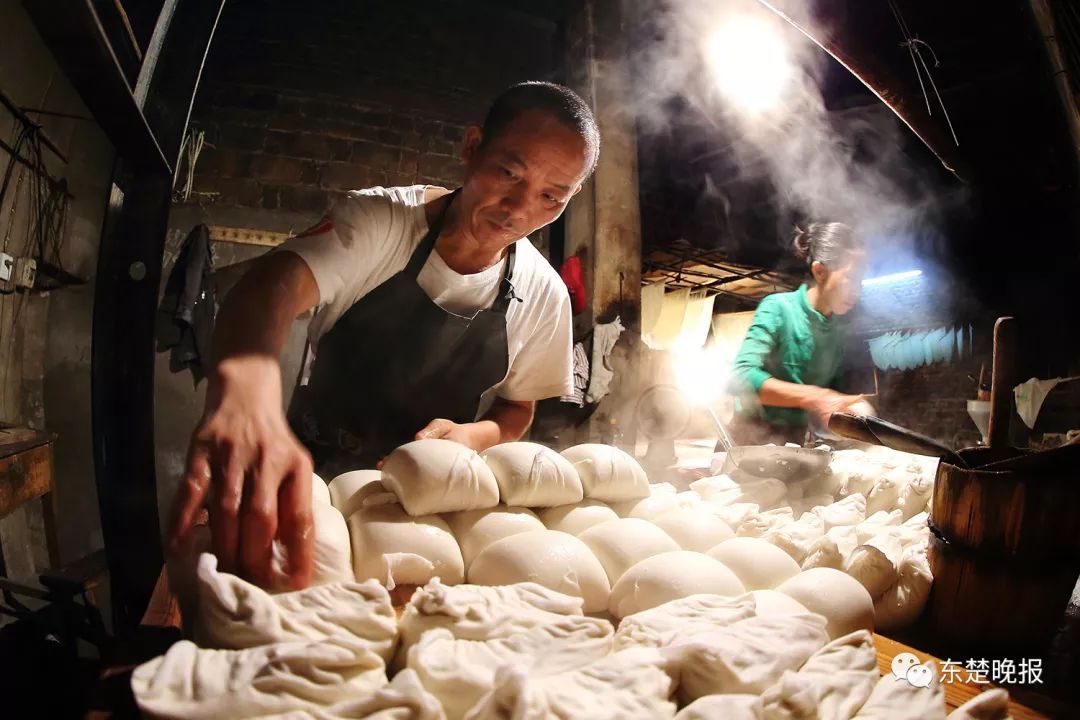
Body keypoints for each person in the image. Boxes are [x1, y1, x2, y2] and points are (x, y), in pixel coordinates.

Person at [169, 81, 599, 588]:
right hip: (309, 475)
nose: (519, 209)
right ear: (472, 146)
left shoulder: (543, 293)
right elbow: (269, 288)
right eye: (509, 173)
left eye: (551, 196)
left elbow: (516, 408)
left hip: (422, 512)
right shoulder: (382, 223)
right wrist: (245, 401)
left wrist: (472, 436)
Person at [727, 222, 873, 447]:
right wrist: (816, 397)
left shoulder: (837, 331)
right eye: (851, 278)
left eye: (860, 281)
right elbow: (740, 378)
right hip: (748, 441)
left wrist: (842, 416)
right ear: (820, 271)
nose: (857, 290)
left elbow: (824, 409)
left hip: (794, 445)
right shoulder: (778, 308)